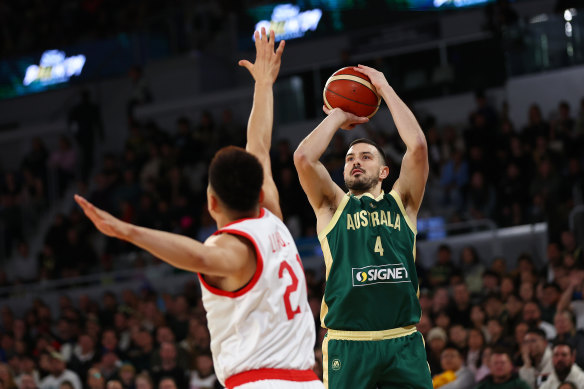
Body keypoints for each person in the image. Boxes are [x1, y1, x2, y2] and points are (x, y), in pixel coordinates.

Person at [75, 28, 322, 389]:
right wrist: (264, 83)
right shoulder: (273, 216)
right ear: (257, 192)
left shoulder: (233, 249)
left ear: (211, 203)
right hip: (308, 381)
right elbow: (259, 144)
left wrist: (127, 231)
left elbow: (201, 258)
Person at [294, 64, 431, 388]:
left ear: (385, 172)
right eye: (350, 158)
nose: (355, 160)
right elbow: (304, 158)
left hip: (403, 341)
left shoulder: (403, 204)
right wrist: (338, 117)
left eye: (366, 157)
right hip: (349, 342)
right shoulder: (332, 207)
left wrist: (383, 88)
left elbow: (418, 147)